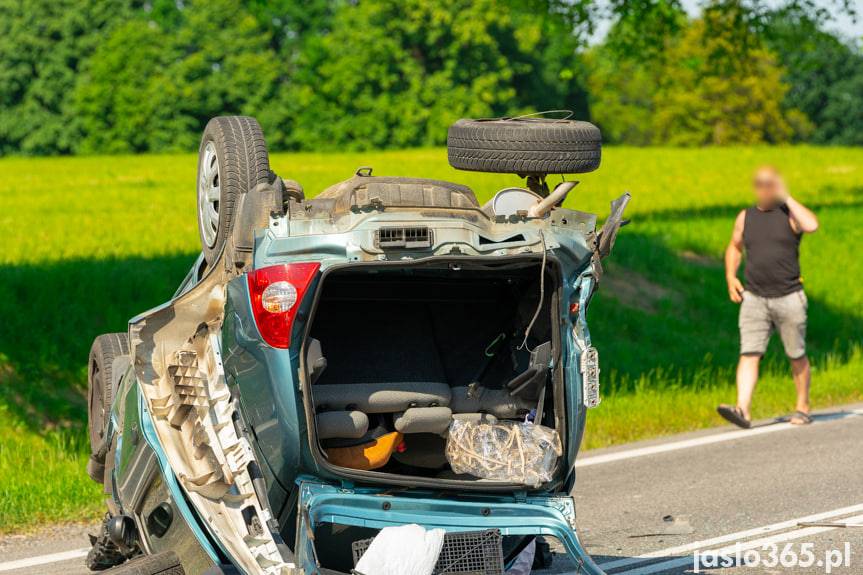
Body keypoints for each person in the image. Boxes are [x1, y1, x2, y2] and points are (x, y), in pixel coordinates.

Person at [717, 166, 819, 429]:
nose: (764, 188)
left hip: (789, 296)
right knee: (749, 352)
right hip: (754, 297)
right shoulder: (746, 217)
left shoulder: (790, 215)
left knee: (796, 354)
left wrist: (787, 197)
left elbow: (812, 225)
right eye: (760, 183)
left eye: (770, 183)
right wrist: (731, 276)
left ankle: (802, 406)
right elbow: (734, 246)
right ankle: (743, 409)